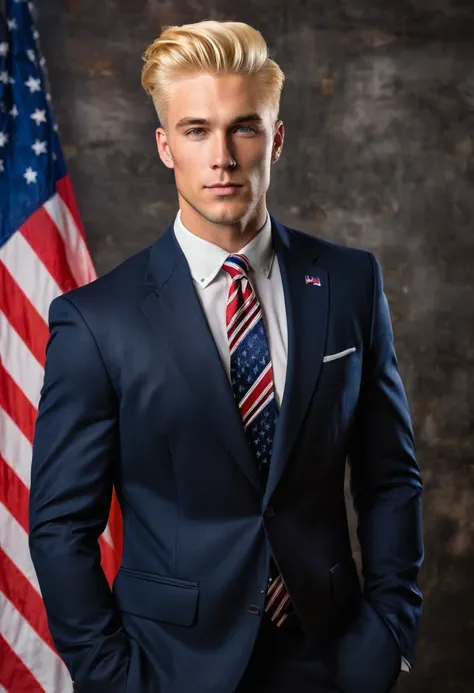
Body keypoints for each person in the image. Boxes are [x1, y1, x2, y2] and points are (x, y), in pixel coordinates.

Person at [29, 19, 424, 693]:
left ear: (275, 138)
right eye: (196, 130)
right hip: (168, 666)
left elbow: (389, 479)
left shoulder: (352, 283)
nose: (222, 157)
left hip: (332, 658)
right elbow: (61, 527)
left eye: (243, 127)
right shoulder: (98, 322)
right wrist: (113, 675)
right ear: (164, 146)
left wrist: (388, 633)